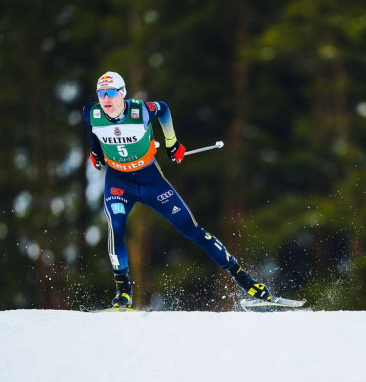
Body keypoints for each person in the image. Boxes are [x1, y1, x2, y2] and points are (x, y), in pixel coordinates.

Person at [83, 71, 274, 308]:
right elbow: (94, 129)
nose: (105, 99)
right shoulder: (92, 112)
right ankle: (123, 293)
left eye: (111, 93)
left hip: (150, 178)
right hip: (118, 181)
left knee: (192, 230)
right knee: (117, 226)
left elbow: (162, 109)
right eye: (101, 94)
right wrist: (95, 152)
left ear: (122, 94)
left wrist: (172, 143)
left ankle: (248, 282)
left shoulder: (139, 111)